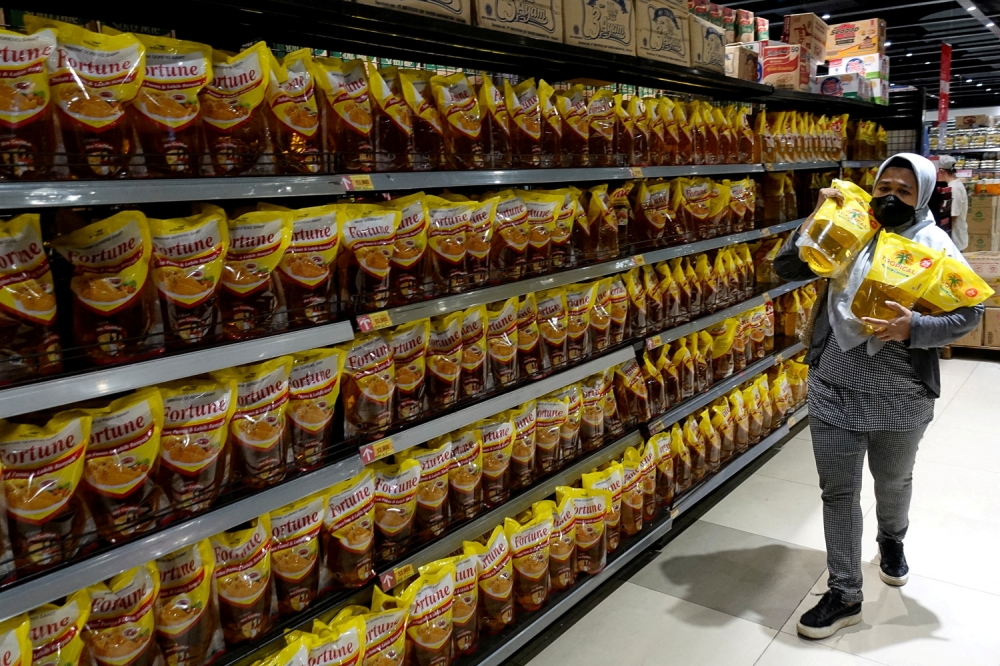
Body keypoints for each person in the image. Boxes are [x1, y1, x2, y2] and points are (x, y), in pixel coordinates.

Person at [774, 153, 983, 640]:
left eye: (905, 191)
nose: (890, 196)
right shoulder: (848, 232)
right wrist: (815, 219)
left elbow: (968, 315)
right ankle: (845, 593)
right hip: (833, 386)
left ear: (925, 197)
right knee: (838, 492)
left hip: (901, 394)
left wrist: (916, 327)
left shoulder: (935, 246)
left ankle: (892, 539)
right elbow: (787, 267)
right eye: (882, 186)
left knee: (893, 481)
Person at [938, 155, 968, 251]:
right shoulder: (954, 185)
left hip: (955, 239)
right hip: (952, 239)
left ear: (942, 171)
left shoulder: (954, 188)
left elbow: (953, 215)